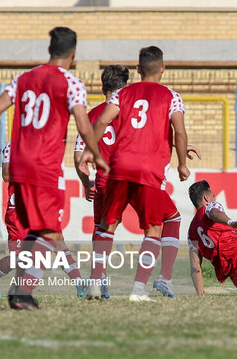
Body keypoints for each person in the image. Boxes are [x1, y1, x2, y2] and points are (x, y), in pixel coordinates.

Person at [0, 27, 108, 310]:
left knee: (37, 232)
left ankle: (18, 288)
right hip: (44, 167)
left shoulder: (23, 78)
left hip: (18, 166)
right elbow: (83, 124)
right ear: (74, 54)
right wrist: (97, 156)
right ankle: (22, 293)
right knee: (51, 233)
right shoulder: (72, 83)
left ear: (49, 49)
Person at [79, 45, 191, 302]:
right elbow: (180, 132)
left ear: (138, 69)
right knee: (154, 228)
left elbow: (101, 122)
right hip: (149, 170)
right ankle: (138, 290)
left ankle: (96, 283)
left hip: (120, 166)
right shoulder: (171, 96)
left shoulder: (124, 93)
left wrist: (89, 151)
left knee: (108, 225)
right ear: (163, 68)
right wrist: (182, 163)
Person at [0, 142, 86, 298]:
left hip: (41, 206)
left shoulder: (46, 145)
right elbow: (6, 175)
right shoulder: (13, 145)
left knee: (59, 244)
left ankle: (80, 284)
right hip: (19, 212)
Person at [73, 64, 131, 299]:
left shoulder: (91, 116)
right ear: (124, 87)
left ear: (102, 87)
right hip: (133, 179)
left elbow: (78, 156)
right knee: (162, 222)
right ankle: (156, 281)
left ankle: (99, 279)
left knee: (101, 230)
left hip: (105, 181)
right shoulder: (130, 111)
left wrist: (87, 182)